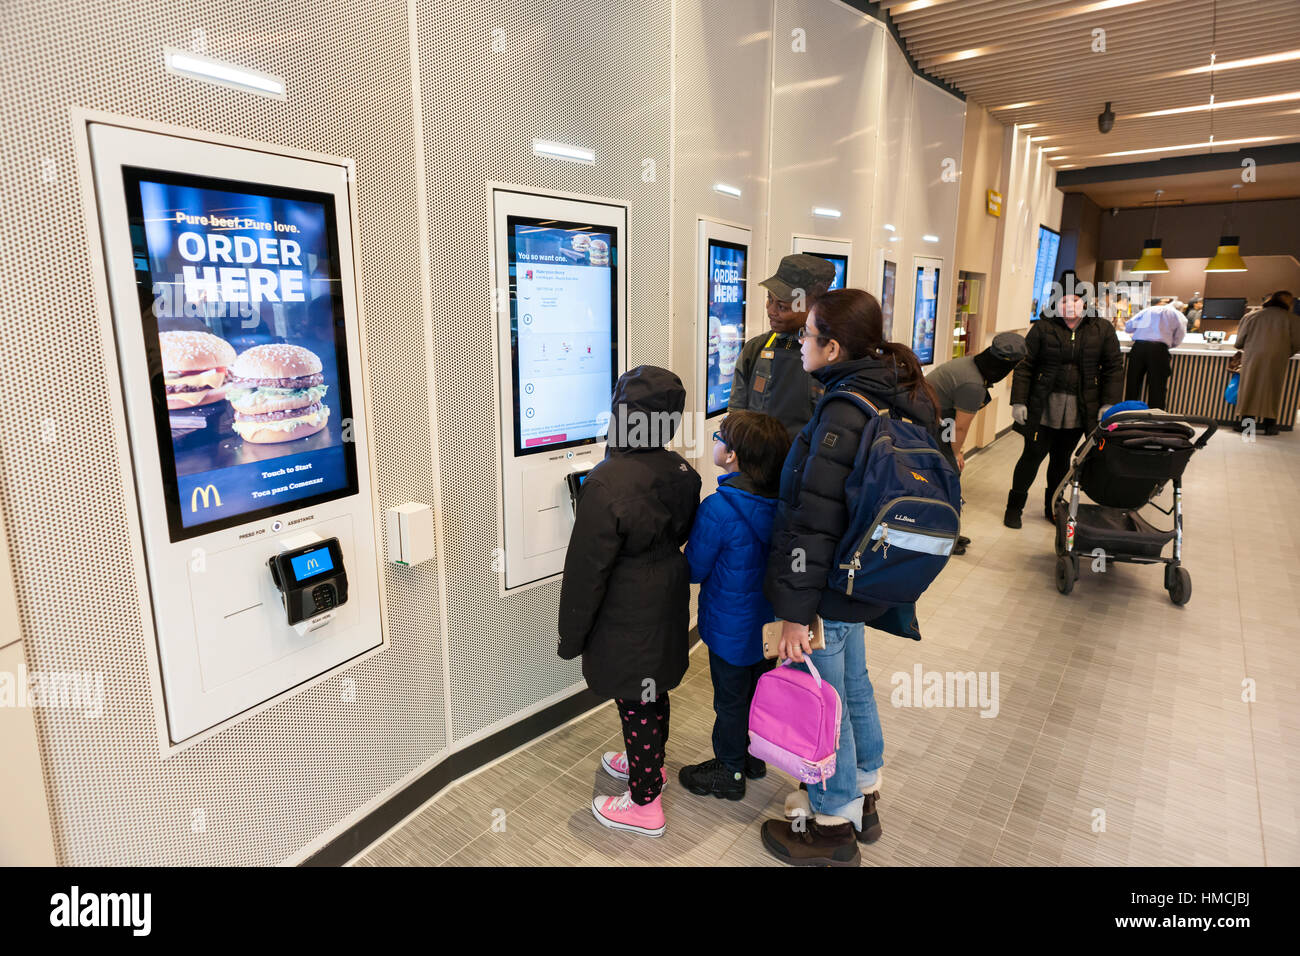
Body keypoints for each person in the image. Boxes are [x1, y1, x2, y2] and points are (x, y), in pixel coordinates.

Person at [758, 288, 941, 867]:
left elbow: (814, 518)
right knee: (854, 683)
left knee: (827, 695)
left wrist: (794, 612)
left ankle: (833, 825)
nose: (800, 344)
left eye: (807, 335)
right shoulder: (899, 390)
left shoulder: (842, 409)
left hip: (835, 580)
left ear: (832, 346)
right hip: (869, 574)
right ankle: (864, 787)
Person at [557, 365, 702, 838]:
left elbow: (586, 573)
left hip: (626, 611)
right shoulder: (682, 471)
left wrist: (571, 637)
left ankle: (645, 803)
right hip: (664, 599)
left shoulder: (605, 484)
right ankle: (651, 766)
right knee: (652, 690)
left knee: (635, 702)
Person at [678, 411, 791, 800]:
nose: (715, 441)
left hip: (729, 631)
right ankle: (752, 758)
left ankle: (730, 772)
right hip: (769, 627)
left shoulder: (718, 509)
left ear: (733, 457)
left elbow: (694, 569)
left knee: (729, 701)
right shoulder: (786, 506)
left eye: (719, 436)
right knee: (758, 692)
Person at [1004, 276, 1123, 528]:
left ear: (1085, 303)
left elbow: (1113, 368)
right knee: (1032, 455)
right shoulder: (1043, 328)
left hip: (1080, 407)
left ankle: (1053, 506)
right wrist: (1019, 402)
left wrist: (1108, 403)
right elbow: (1025, 366)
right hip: (1043, 405)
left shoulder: (1101, 329)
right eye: (1064, 300)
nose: (1070, 305)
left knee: (1061, 459)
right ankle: (1014, 507)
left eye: (1075, 300)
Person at [925, 331, 1027, 554]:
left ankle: (946, 531)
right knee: (948, 475)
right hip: (930, 423)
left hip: (936, 419)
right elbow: (960, 427)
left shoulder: (973, 364)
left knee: (945, 477)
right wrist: (956, 453)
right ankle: (940, 536)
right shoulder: (973, 384)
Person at [729, 254, 837, 437]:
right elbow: (736, 413)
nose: (770, 311)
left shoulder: (831, 357)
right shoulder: (755, 349)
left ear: (813, 307)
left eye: (782, 307)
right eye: (770, 299)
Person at [1231, 291, 1300, 436]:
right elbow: (1296, 344)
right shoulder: (1293, 319)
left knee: (1249, 389)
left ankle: (1247, 427)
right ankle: (1270, 426)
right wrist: (1285, 353)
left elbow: (1238, 343)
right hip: (1278, 359)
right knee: (1273, 390)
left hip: (1252, 357)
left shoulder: (1251, 316)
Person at [1124, 299, 1187, 409]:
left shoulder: (1147, 311)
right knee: (1157, 387)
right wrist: (1170, 344)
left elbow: (1129, 327)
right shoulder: (1178, 315)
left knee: (1132, 384)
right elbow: (1180, 335)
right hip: (1159, 350)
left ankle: (1128, 415)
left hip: (1139, 348)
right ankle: (1155, 419)